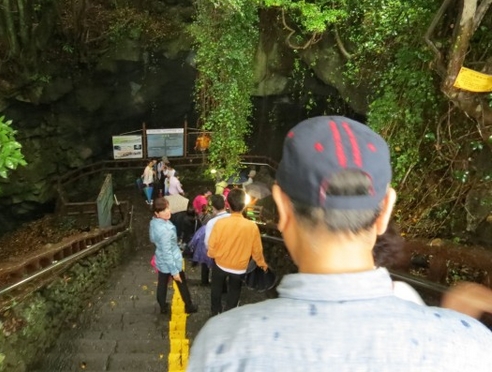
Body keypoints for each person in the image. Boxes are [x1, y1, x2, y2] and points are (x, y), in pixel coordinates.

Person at [188, 115, 492, 371]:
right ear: (385, 209)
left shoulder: (223, 346)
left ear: (282, 207)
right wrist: (453, 323)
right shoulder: (470, 346)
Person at [207, 188, 268, 316]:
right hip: (239, 267)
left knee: (216, 288)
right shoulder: (252, 226)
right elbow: (257, 250)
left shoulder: (220, 223)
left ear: (228, 204)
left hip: (220, 262)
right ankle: (230, 314)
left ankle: (215, 312)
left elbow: (212, 245)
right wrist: (262, 264)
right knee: (234, 290)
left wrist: (212, 255)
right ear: (244, 205)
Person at [148, 197, 198, 315]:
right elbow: (167, 252)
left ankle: (163, 307)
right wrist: (174, 271)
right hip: (171, 261)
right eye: (163, 210)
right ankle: (189, 306)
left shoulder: (154, 222)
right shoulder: (165, 230)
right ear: (156, 213)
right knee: (181, 283)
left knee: (162, 283)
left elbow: (152, 239)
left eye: (167, 208)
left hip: (161, 259)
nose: (167, 212)